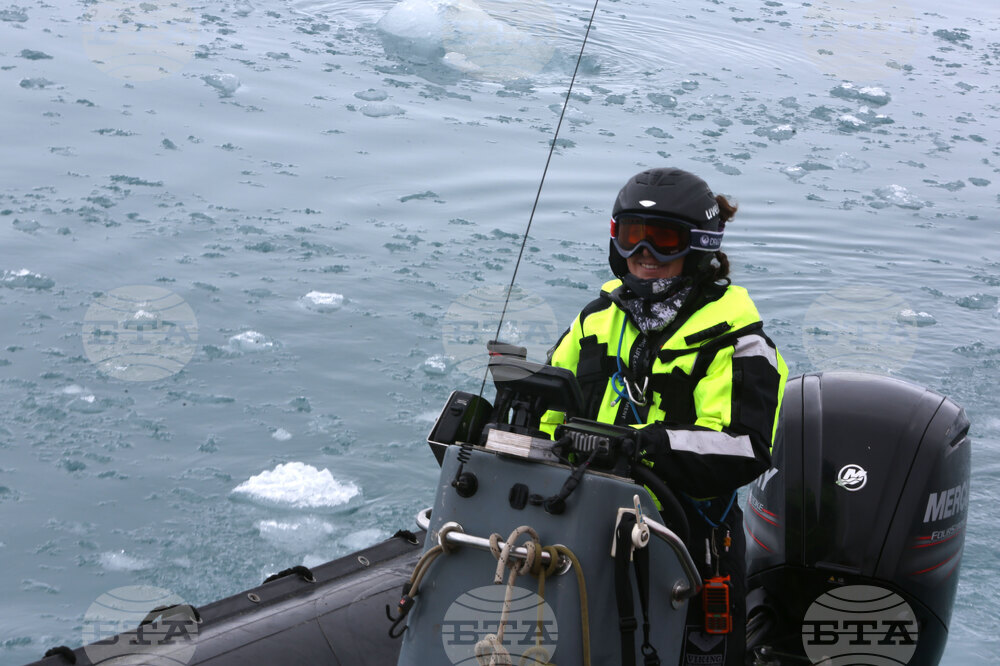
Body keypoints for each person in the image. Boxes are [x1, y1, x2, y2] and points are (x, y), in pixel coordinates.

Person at [541, 167, 787, 666]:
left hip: (688, 543)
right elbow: (550, 402)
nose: (644, 256)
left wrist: (644, 446)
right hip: (583, 526)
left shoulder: (740, 344)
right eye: (633, 238)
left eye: (664, 241)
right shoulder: (595, 320)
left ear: (698, 248)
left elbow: (744, 446)